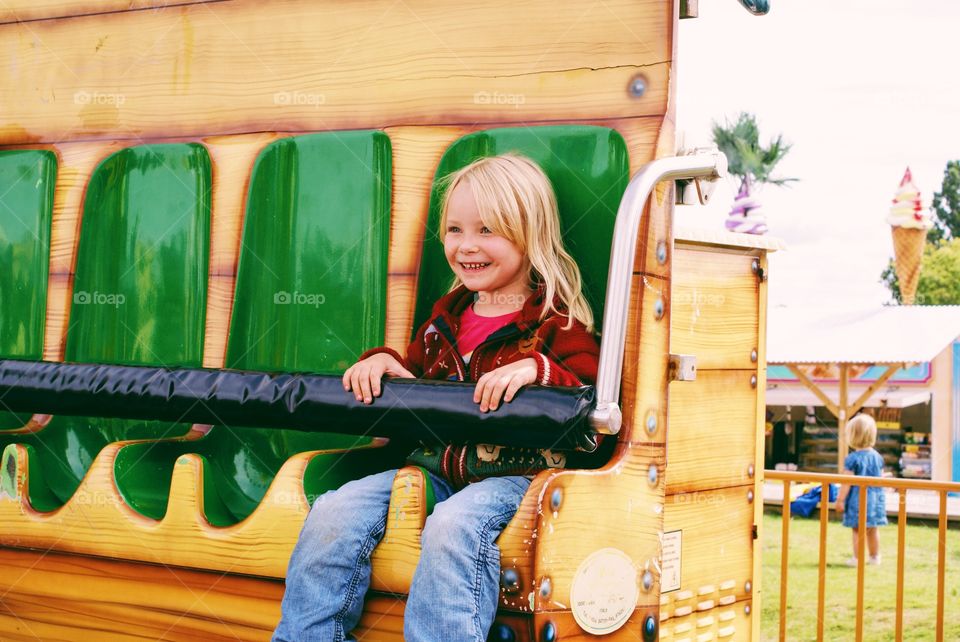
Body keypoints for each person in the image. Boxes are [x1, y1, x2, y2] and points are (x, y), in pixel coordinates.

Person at [273, 153, 600, 642]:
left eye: (487, 230)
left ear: (529, 235)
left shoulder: (554, 324)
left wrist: (538, 369)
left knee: (453, 526)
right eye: (454, 230)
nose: (467, 246)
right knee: (334, 509)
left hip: (516, 478)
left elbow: (591, 395)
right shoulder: (442, 323)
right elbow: (416, 381)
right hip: (432, 470)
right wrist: (383, 364)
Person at [835, 413, 888, 566]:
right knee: (873, 528)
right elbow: (880, 477)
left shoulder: (852, 458)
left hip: (858, 500)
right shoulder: (877, 457)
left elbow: (847, 482)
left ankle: (857, 559)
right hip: (876, 499)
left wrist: (840, 500)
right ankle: (874, 557)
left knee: (857, 530)